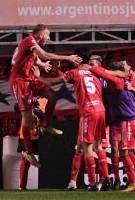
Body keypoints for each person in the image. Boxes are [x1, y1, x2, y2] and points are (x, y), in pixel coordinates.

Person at [32, 48, 110, 191]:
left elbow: (53, 82)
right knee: (97, 146)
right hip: (101, 110)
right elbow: (71, 78)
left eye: (73, 56)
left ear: (77, 59)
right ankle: (105, 179)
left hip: (89, 111)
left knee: (86, 147)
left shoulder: (74, 72)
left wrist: (37, 77)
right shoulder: (95, 71)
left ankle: (92, 184)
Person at [9, 24, 82, 168]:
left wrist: (43, 65)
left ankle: (46, 124)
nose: (49, 38)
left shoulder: (32, 46)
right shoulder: (30, 41)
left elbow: (36, 59)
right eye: (48, 35)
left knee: (52, 95)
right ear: (40, 35)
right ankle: (28, 151)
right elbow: (45, 55)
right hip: (20, 83)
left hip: (30, 79)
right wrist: (68, 57)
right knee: (28, 118)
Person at [89, 62, 135, 192]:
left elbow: (103, 74)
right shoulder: (124, 82)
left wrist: (90, 68)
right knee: (128, 152)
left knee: (123, 152)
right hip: (128, 119)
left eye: (110, 71)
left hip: (127, 120)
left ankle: (133, 183)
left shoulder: (118, 82)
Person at [66, 54, 111, 191]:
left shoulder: (97, 75)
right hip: (100, 112)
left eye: (93, 64)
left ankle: (94, 183)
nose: (90, 66)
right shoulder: (98, 75)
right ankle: (74, 181)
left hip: (92, 112)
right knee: (82, 147)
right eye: (89, 63)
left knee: (89, 147)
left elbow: (59, 79)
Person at [14, 97, 47, 190]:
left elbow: (47, 117)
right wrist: (28, 102)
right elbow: (16, 108)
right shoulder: (27, 97)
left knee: (45, 158)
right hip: (25, 135)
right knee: (25, 161)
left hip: (40, 136)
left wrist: (38, 111)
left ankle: (46, 184)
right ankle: (22, 186)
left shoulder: (45, 100)